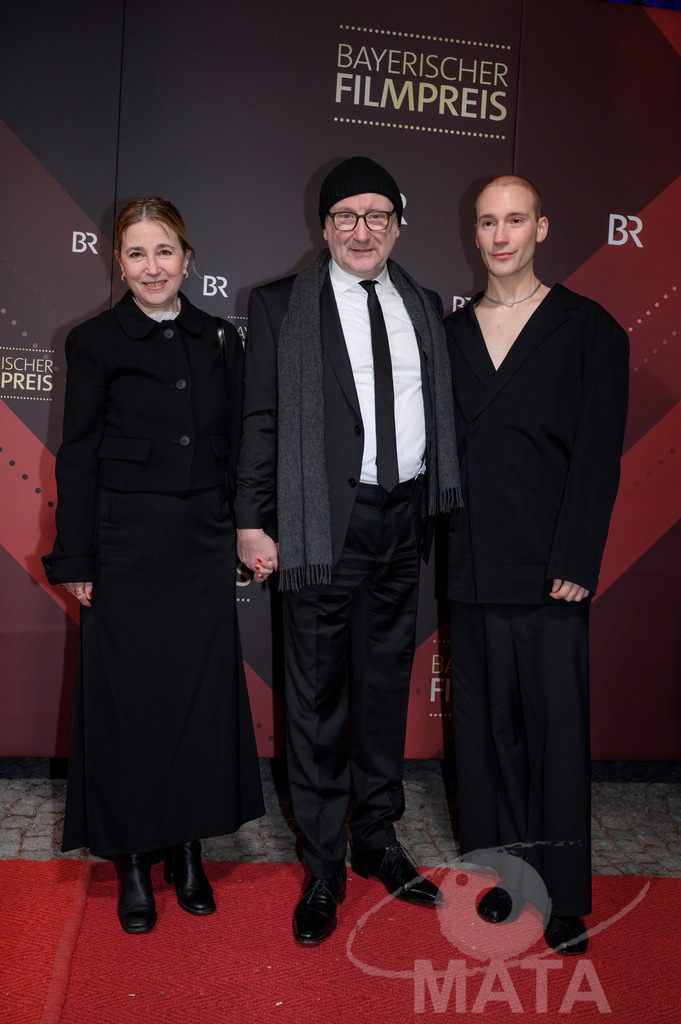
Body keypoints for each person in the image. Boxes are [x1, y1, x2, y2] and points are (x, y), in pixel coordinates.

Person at [235, 156, 460, 945]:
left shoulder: (424, 307)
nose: (360, 231)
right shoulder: (277, 307)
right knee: (318, 700)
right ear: (323, 225)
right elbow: (260, 417)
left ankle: (379, 841)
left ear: (397, 223)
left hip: (402, 519)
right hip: (318, 523)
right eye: (345, 217)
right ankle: (324, 864)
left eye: (375, 216)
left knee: (382, 687)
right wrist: (252, 520)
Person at [42, 197, 264, 934]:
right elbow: (75, 455)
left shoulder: (218, 340)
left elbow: (235, 445)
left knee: (197, 699)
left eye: (163, 251)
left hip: (200, 540)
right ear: (117, 261)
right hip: (124, 544)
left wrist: (243, 528)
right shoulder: (95, 341)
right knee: (130, 703)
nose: (151, 267)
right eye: (136, 254)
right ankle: (133, 858)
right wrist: (75, 553)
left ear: (188, 256)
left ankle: (189, 851)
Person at [445, 175, 628, 955]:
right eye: (487, 221)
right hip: (470, 560)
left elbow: (596, 456)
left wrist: (577, 556)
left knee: (552, 731)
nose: (499, 235)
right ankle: (510, 877)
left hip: (551, 565)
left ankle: (561, 898)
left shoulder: (590, 329)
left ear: (542, 228)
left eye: (514, 220)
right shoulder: (449, 333)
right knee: (487, 736)